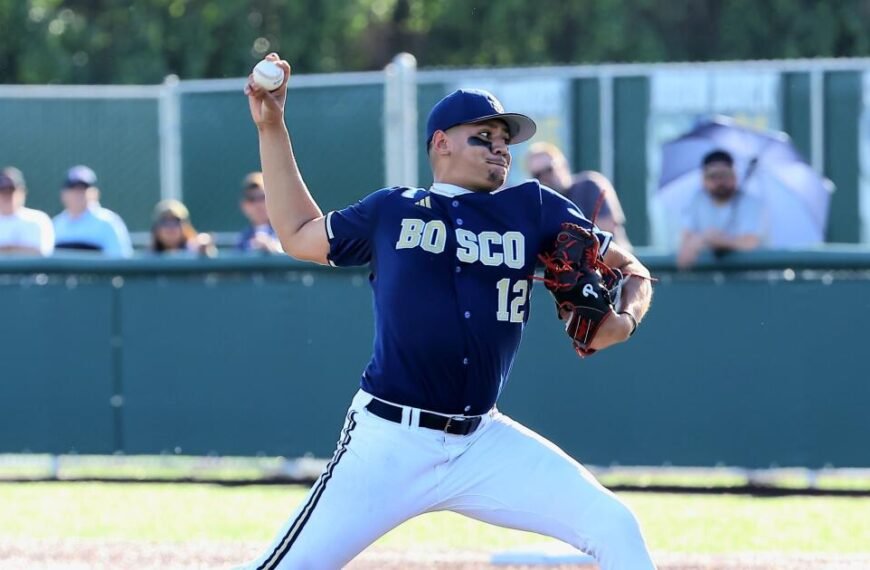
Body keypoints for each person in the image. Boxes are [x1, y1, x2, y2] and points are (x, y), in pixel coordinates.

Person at [242, 54, 656, 570]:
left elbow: (632, 268)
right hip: (388, 441)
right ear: (441, 143)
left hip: (482, 440)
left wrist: (627, 317)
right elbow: (299, 234)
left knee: (614, 526)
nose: (500, 148)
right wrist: (273, 126)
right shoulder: (394, 209)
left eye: (506, 141)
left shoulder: (534, 208)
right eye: (484, 136)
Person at [525, 142, 632, 249]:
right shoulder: (541, 203)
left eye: (549, 169)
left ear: (563, 166)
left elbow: (606, 227)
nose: (545, 177)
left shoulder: (589, 185)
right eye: (537, 175)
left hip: (610, 259)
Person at [676, 149, 766, 269]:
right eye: (713, 176)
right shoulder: (696, 201)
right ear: (703, 180)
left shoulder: (750, 203)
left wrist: (718, 240)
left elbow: (750, 243)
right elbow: (686, 243)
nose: (720, 182)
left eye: (724, 175)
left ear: (734, 177)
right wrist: (707, 239)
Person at [52, 165, 133, 257]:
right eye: (73, 189)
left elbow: (120, 259)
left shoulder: (108, 222)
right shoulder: (56, 224)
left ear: (95, 193)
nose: (78, 194)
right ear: (63, 194)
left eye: (83, 189)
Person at [0, 167, 54, 256]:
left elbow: (42, 254)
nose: (7, 196)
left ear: (23, 192)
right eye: (3, 191)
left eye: (11, 191)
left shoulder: (38, 219)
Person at [150, 199, 216, 257]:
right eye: (164, 222)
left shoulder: (195, 250)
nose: (170, 227)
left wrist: (204, 250)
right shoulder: (150, 256)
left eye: (176, 221)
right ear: (156, 228)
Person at [236, 171, 282, 253]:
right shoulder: (243, 237)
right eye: (251, 199)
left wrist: (273, 248)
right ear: (244, 205)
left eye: (262, 197)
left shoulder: (286, 232)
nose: (258, 204)